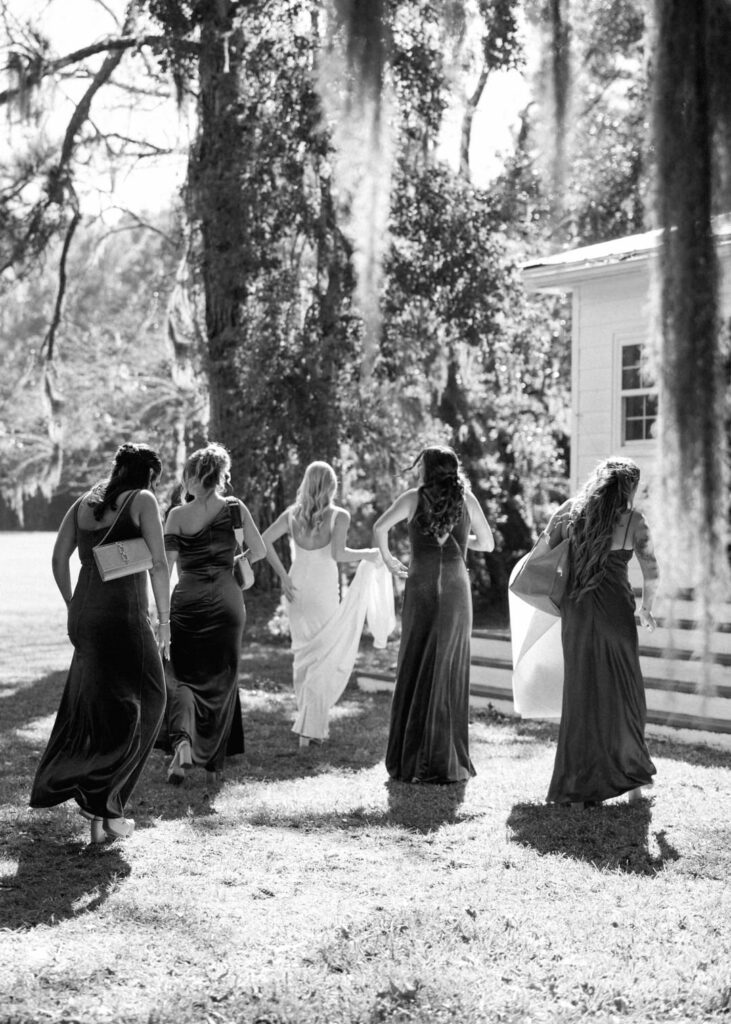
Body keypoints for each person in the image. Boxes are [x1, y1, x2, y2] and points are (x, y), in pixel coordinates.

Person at [30, 442, 170, 842]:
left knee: (102, 707)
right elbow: (159, 563)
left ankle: (104, 817)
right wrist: (165, 620)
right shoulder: (142, 499)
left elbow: (59, 560)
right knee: (153, 700)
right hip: (123, 614)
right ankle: (105, 804)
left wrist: (73, 604)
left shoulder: (82, 503)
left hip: (85, 613)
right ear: (148, 476)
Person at [373, 445, 494, 784]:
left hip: (422, 581)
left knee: (416, 660)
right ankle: (445, 759)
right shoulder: (467, 500)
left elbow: (379, 528)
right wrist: (460, 539)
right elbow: (488, 544)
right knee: (448, 666)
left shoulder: (413, 498)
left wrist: (388, 559)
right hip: (456, 585)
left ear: (425, 469)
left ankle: (411, 760)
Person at [544, 456, 659, 807]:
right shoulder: (634, 521)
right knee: (625, 694)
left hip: (576, 611)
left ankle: (577, 790)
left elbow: (546, 554)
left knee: (581, 694)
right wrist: (647, 608)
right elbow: (652, 572)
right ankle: (634, 783)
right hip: (615, 613)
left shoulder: (569, 512)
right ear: (630, 488)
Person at [262, 461, 392, 747]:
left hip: (295, 586)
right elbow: (339, 554)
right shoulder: (339, 515)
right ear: (332, 486)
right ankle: (310, 727)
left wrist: (283, 576)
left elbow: (263, 541)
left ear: (306, 484)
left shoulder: (291, 515)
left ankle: (308, 722)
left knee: (303, 654)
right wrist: (369, 553)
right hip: (321, 590)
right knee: (324, 654)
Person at [163, 443, 266, 785]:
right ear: (219, 476)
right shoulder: (235, 508)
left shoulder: (177, 515)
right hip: (226, 601)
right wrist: (231, 558)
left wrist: (159, 613)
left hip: (187, 602)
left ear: (195, 476)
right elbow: (260, 549)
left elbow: (166, 566)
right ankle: (214, 765)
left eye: (186, 475)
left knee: (183, 676)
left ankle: (182, 746)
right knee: (222, 681)